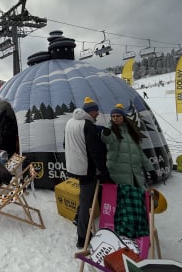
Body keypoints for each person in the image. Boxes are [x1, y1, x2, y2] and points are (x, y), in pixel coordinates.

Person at [64, 97, 113, 249]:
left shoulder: (70, 122)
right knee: (86, 202)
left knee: (85, 197)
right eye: (96, 111)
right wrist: (104, 172)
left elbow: (65, 144)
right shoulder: (87, 125)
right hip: (86, 169)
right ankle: (82, 237)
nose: (98, 113)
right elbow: (95, 152)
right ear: (90, 111)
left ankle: (78, 219)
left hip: (74, 167)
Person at [101, 104, 157, 189]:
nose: (115, 118)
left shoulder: (131, 132)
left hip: (135, 174)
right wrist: (107, 130)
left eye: (118, 116)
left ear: (123, 117)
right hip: (118, 174)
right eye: (113, 116)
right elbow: (106, 139)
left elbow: (140, 153)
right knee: (123, 200)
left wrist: (150, 169)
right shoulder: (111, 130)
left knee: (138, 199)